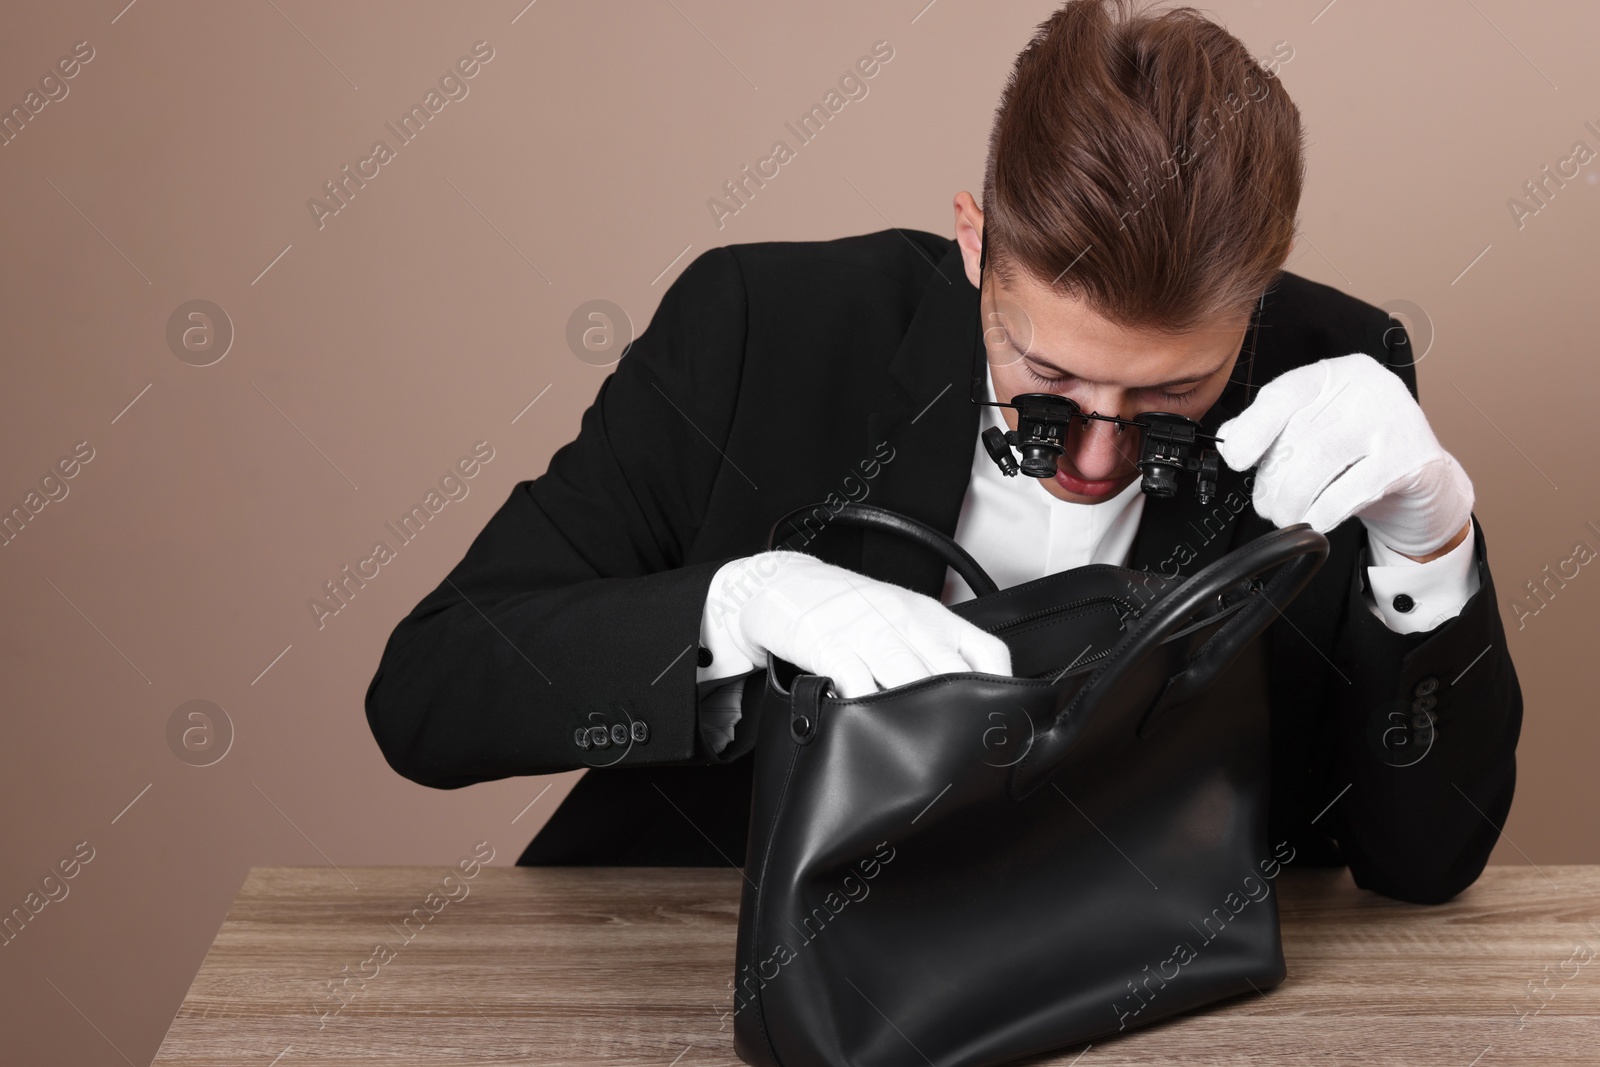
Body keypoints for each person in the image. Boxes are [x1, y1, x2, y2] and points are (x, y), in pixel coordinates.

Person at [365, 0, 1520, 905]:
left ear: (1254, 306)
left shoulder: (1339, 368)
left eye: (1173, 392)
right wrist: (737, 605)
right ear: (975, 241)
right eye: (1049, 378)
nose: (1096, 461)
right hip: (716, 979)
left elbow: (1423, 862)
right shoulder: (757, 327)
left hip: (1134, 982)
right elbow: (428, 692)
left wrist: (1432, 550)